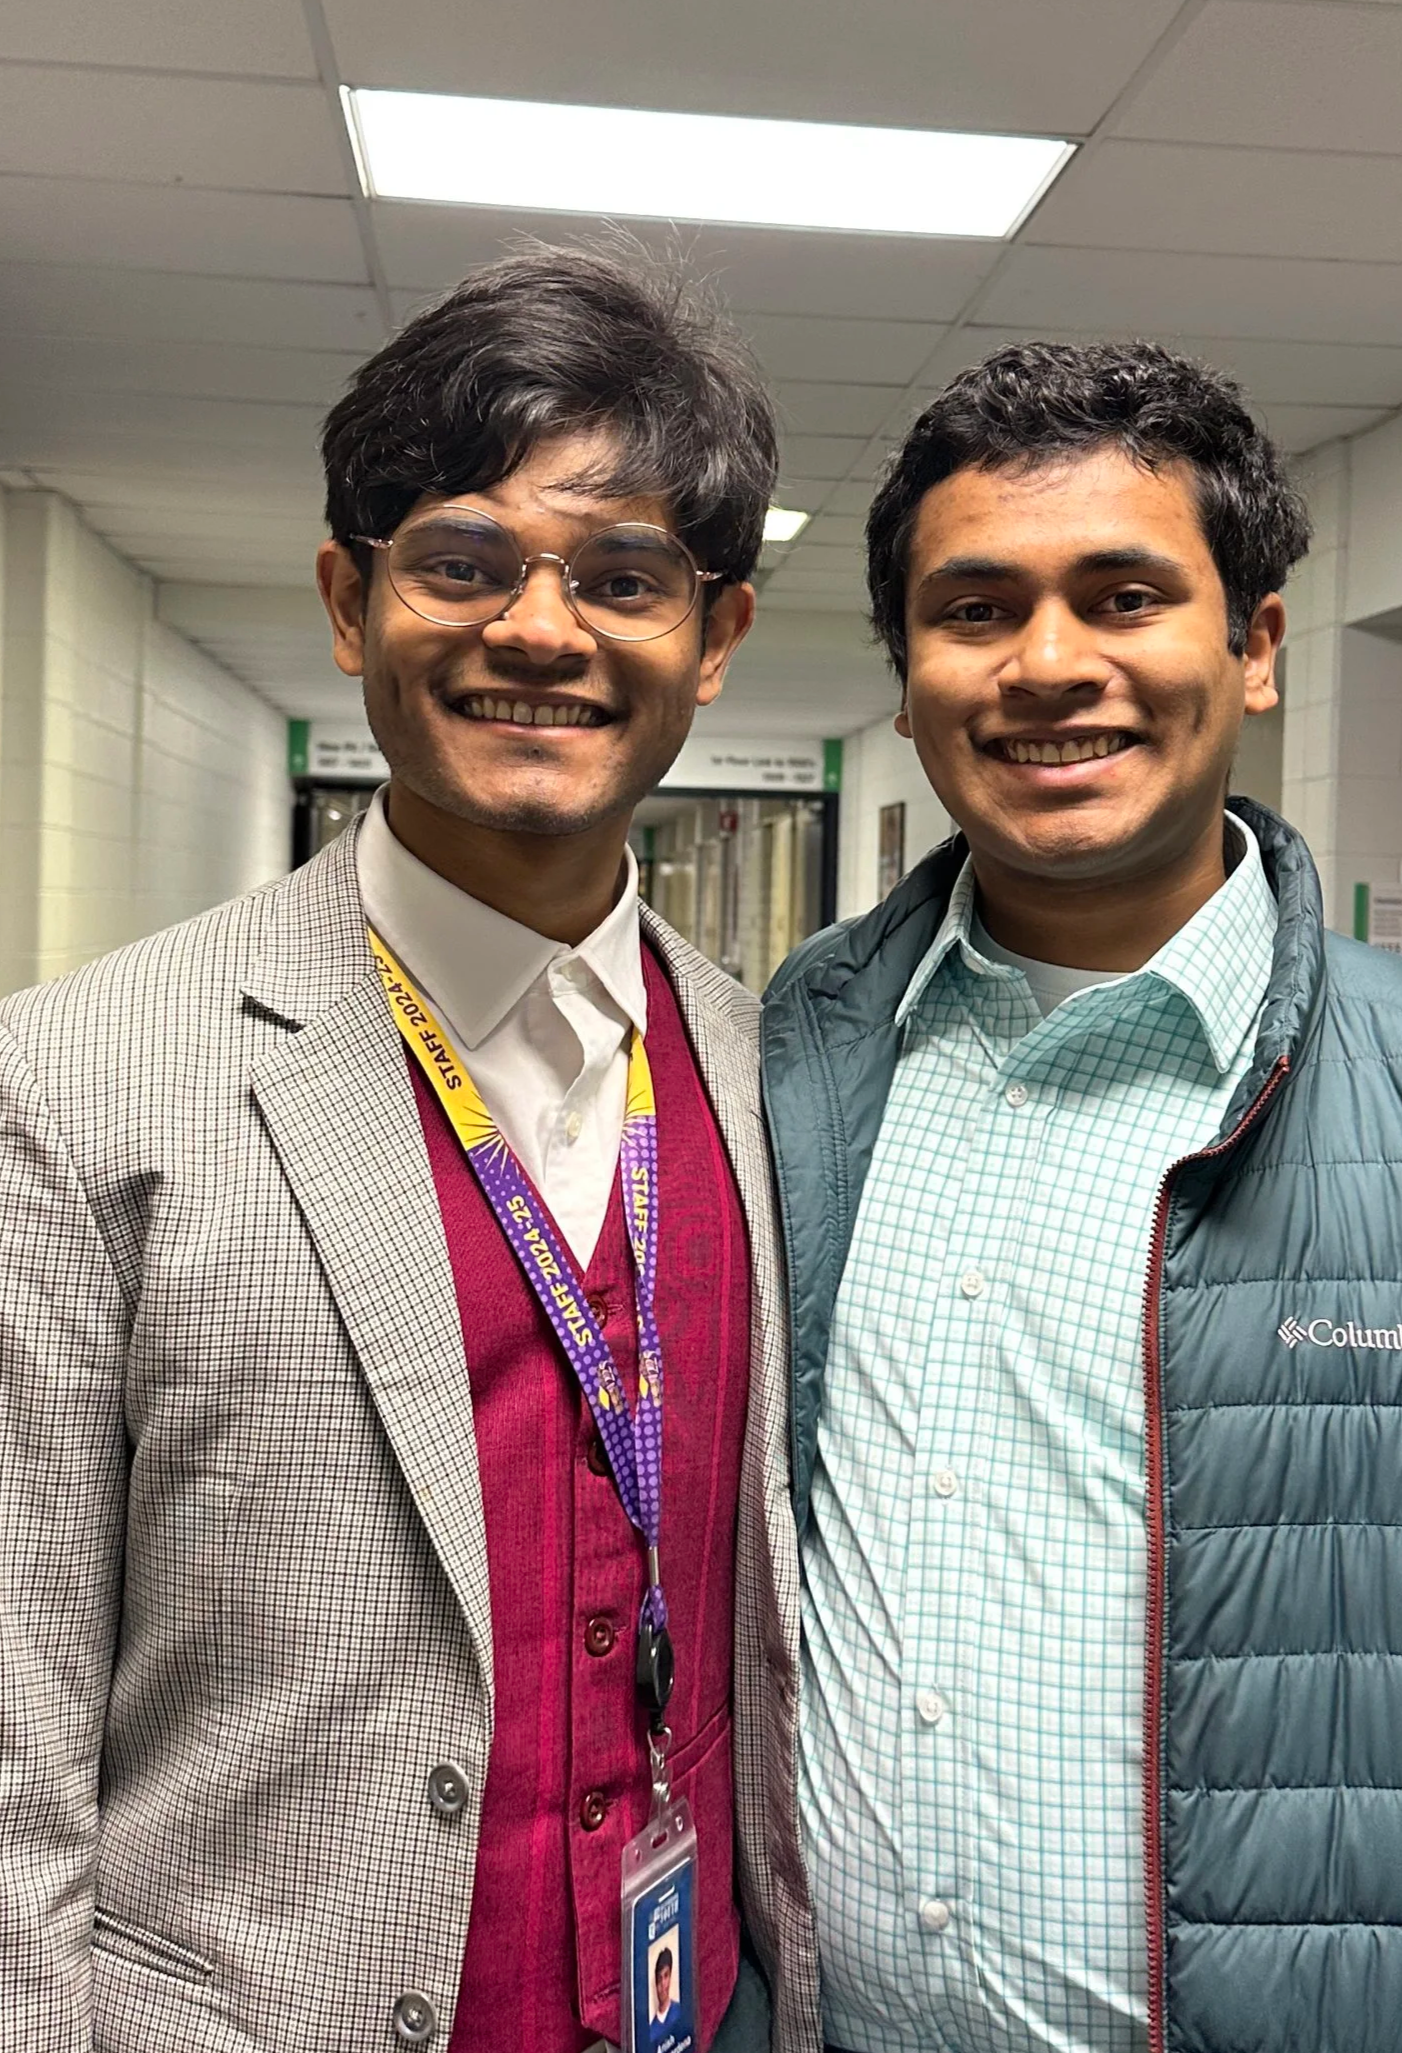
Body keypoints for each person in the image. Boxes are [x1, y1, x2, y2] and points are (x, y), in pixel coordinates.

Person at [0, 246, 818, 2052]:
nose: (539, 632)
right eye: (462, 562)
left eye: (622, 578)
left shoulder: (775, 1075)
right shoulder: (73, 1085)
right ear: (349, 601)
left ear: (714, 637)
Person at [761, 341, 1402, 2052]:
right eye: (975, 610)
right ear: (905, 677)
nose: (1049, 664)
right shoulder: (795, 1065)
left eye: (1123, 597)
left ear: (1253, 647)